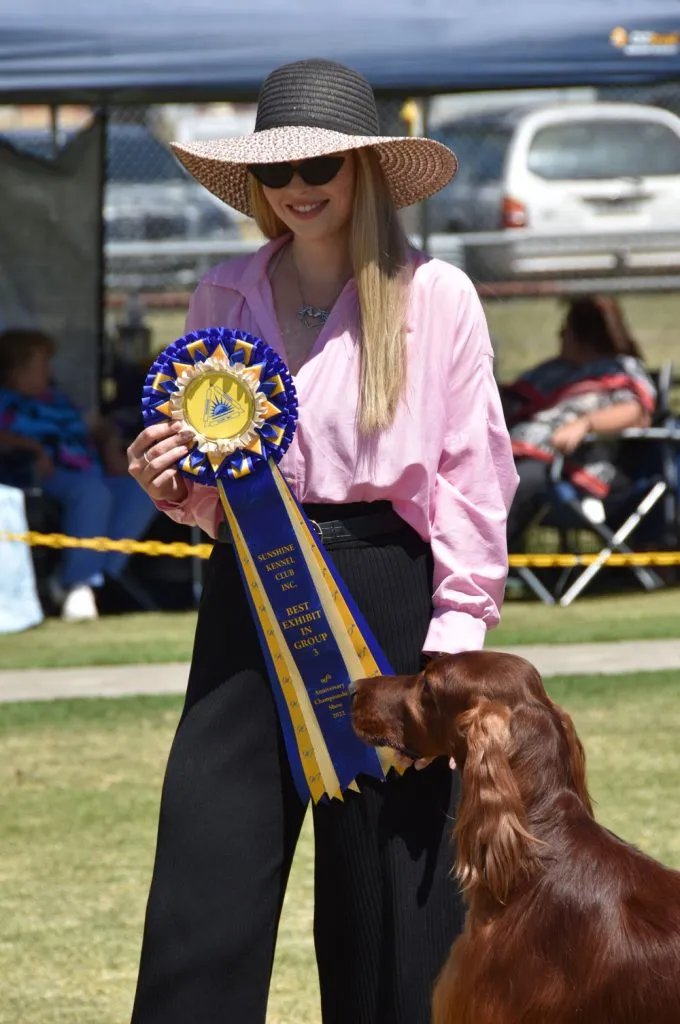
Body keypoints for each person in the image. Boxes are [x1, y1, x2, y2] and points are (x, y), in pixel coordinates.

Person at [127, 59, 518, 1024]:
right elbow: (217, 489)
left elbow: (474, 474)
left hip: (391, 600)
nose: (300, 187)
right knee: (203, 877)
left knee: (393, 896)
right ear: (255, 185)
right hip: (246, 595)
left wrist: (455, 644)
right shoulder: (221, 291)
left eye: (324, 166)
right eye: (278, 171)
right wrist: (170, 484)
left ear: (365, 172)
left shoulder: (437, 297)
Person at [0, 327, 158, 621]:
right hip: (34, 475)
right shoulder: (5, 400)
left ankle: (88, 577)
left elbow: (99, 425)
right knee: (91, 492)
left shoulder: (56, 399)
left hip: (89, 470)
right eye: (41, 364)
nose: (48, 370)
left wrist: (110, 443)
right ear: (16, 370)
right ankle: (80, 585)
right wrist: (28, 446)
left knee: (142, 490)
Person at [502, 295, 656, 547]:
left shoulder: (620, 368)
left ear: (581, 336)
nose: (560, 337)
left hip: (572, 467)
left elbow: (634, 410)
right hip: (520, 455)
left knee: (517, 482)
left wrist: (584, 424)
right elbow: (510, 400)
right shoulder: (552, 371)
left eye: (564, 331)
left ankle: (482, 569)